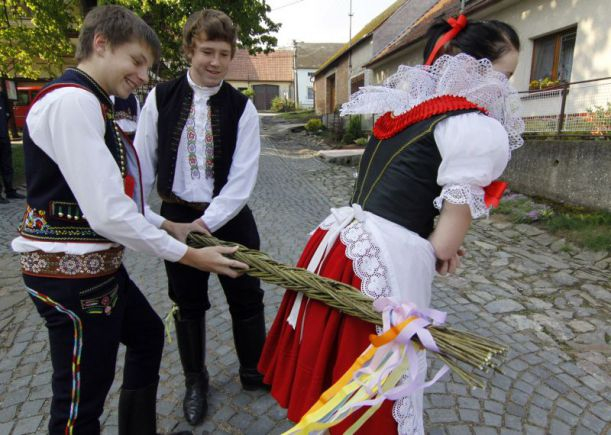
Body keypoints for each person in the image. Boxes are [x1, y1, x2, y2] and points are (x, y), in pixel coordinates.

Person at [257, 15, 524, 434]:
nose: (506, 88)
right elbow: (443, 244)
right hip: (384, 267)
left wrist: (438, 241)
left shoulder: (408, 113)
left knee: (339, 372)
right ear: (469, 67)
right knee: (375, 384)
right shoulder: (473, 127)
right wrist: (445, 246)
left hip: (343, 245)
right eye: (504, 75)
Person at [11, 5, 248, 435]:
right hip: (71, 276)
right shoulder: (73, 103)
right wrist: (189, 257)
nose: (142, 75)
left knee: (148, 335)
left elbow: (113, 198)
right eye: (136, 61)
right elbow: (106, 214)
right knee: (80, 401)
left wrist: (167, 226)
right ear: (101, 44)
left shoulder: (92, 103)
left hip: (99, 270)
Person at [134, 9, 266, 426]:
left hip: (230, 217)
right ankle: (196, 381)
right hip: (176, 217)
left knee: (247, 299)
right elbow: (139, 163)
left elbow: (243, 177)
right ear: (190, 49)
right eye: (207, 51)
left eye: (224, 53)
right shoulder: (160, 98)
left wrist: (208, 223)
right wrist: (152, 220)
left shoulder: (242, 107)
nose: (215, 61)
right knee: (187, 305)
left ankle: (253, 371)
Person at [0, 81, 25, 203]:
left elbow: (7, 115)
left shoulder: (2, 97)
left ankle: (10, 190)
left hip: (4, 136)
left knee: (7, 164)